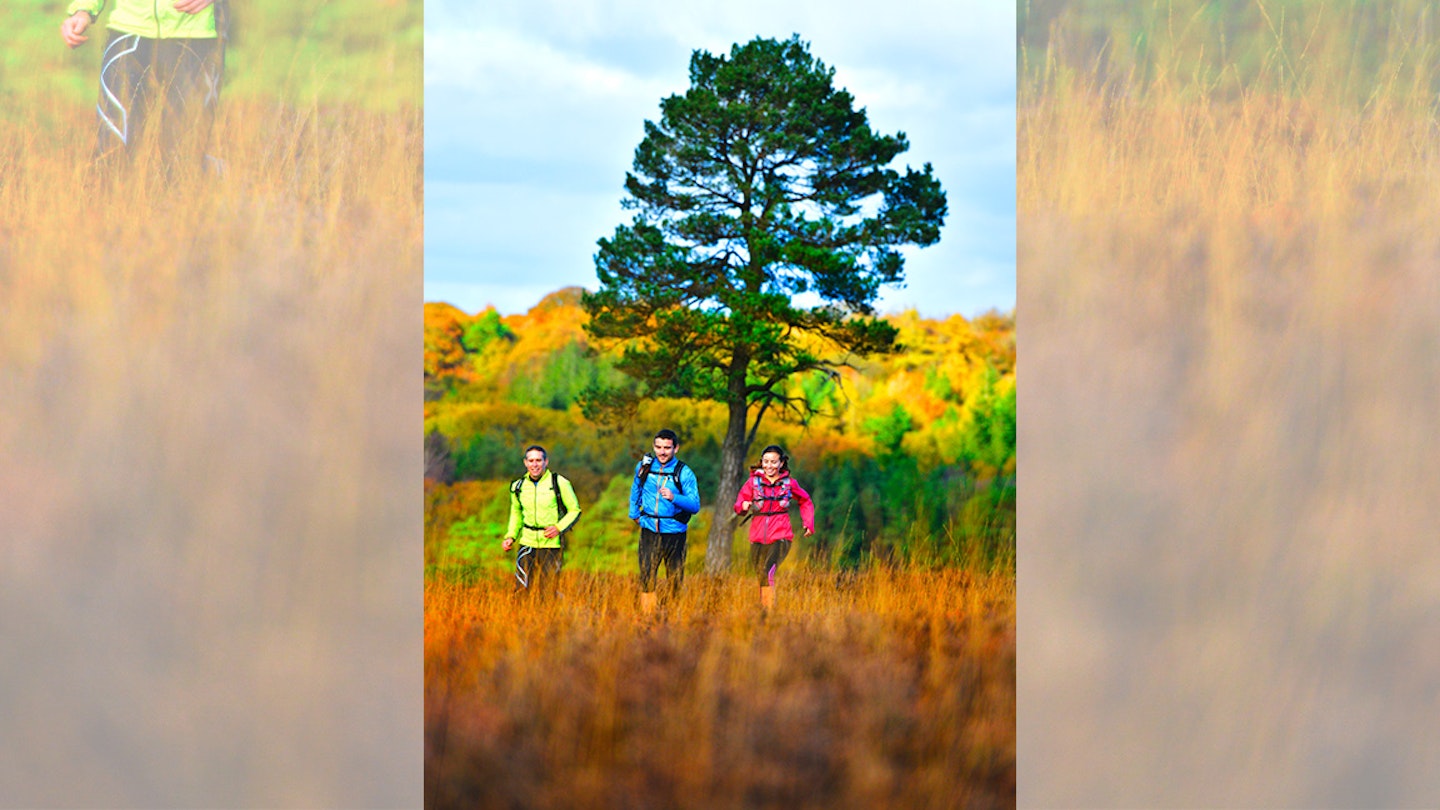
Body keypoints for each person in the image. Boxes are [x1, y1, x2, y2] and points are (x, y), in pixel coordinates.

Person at [60, 0, 227, 171]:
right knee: (112, 156)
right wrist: (83, 10)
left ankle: (217, 177)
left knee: (183, 166)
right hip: (128, 30)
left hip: (197, 33)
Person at [734, 444, 815, 610]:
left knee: (767, 571)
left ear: (781, 464)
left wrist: (808, 523)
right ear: (761, 462)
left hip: (781, 536)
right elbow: (738, 504)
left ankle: (769, 611)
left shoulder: (790, 484)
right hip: (756, 537)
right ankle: (764, 609)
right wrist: (743, 505)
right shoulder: (752, 483)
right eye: (766, 461)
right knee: (760, 574)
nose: (769, 466)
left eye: (773, 462)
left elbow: (805, 501)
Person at [628, 429, 700, 615]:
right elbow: (636, 487)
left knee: (675, 579)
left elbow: (694, 505)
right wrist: (634, 513)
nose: (662, 452)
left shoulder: (684, 472)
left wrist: (674, 497)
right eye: (658, 447)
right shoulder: (644, 466)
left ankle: (673, 618)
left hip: (675, 532)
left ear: (676, 448)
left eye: (667, 448)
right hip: (649, 529)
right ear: (653, 446)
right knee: (646, 576)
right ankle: (647, 618)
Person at [502, 445, 581, 598]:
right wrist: (510, 536)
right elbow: (516, 512)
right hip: (527, 542)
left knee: (548, 590)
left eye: (538, 460)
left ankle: (549, 619)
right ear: (525, 463)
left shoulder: (559, 482)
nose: (535, 464)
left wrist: (558, 527)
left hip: (551, 544)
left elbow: (575, 510)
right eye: (531, 460)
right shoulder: (518, 486)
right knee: (521, 588)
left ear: (546, 462)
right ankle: (522, 619)